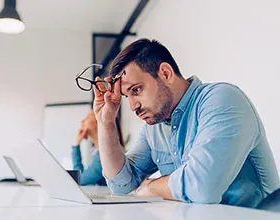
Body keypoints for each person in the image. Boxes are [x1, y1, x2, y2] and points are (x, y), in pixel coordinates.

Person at [92, 38, 280, 208]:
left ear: (165, 73)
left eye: (137, 90)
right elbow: (121, 185)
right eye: (127, 96)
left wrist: (151, 187)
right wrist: (105, 122)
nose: (133, 106)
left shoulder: (222, 99)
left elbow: (202, 187)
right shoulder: (155, 128)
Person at [72, 109, 124, 186]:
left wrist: (76, 145)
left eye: (88, 117)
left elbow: (79, 179)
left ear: (100, 122)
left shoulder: (105, 155)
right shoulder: (99, 152)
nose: (82, 121)